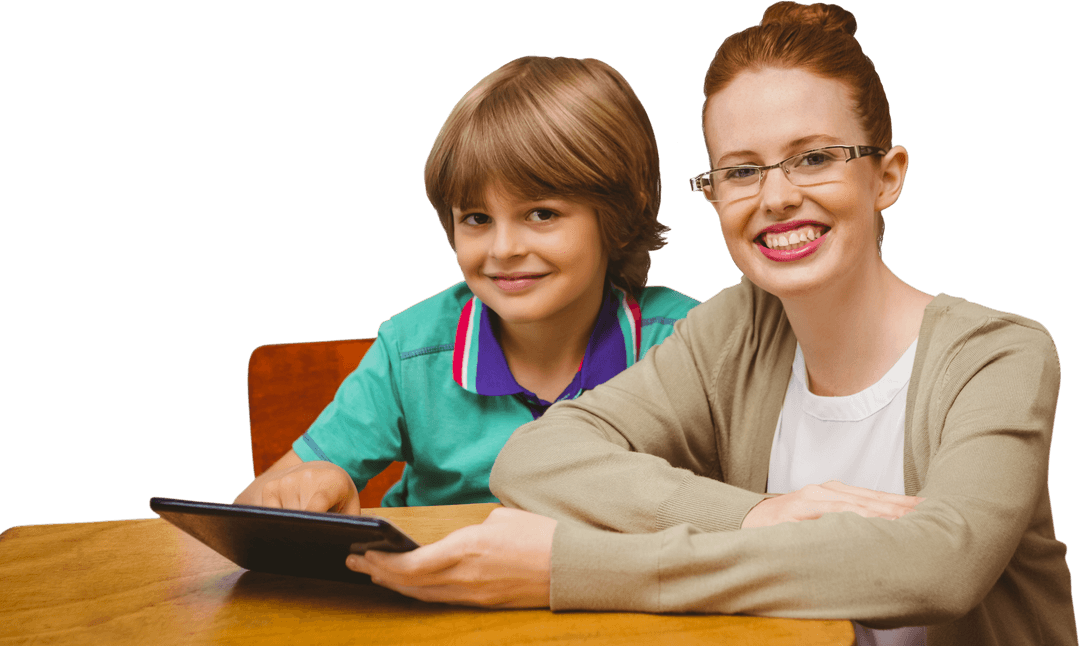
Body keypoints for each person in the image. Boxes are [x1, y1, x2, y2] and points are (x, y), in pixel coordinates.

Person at [344, 4, 1077, 645]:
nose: (776, 197)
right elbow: (535, 460)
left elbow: (940, 567)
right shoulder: (735, 328)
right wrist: (760, 516)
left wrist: (570, 568)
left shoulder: (998, 355)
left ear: (886, 175)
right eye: (741, 171)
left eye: (813, 158)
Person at [233, 56, 698, 513]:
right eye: (477, 218)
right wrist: (316, 482)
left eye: (541, 214)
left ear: (620, 218)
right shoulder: (411, 350)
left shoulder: (688, 344)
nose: (503, 248)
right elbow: (250, 508)